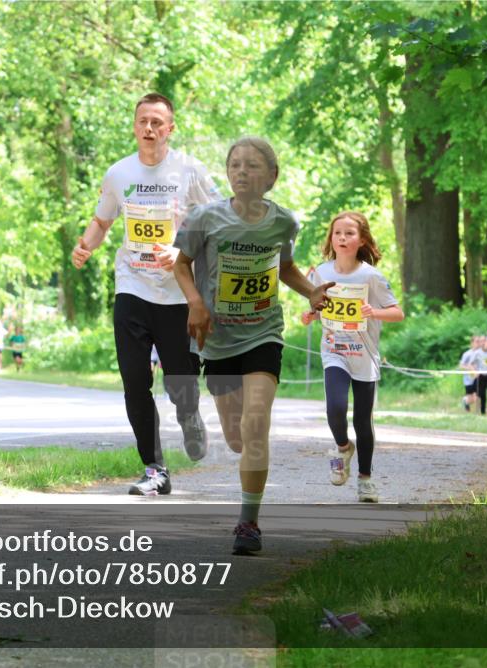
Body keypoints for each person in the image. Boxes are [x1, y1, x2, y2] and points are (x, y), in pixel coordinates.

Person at [174, 136, 331, 554]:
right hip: (219, 341)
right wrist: (195, 304)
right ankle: (239, 454)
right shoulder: (203, 218)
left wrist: (311, 292)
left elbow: (285, 267)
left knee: (256, 420)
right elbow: (181, 265)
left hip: (264, 333)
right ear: (228, 173)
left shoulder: (284, 222)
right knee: (236, 437)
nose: (243, 172)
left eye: (253, 166)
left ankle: (248, 523)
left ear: (272, 177)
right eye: (236, 165)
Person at [72, 92, 220, 495]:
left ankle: (190, 416)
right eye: (143, 121)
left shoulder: (190, 170)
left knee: (180, 385)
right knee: (135, 380)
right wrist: (86, 244)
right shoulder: (119, 174)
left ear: (170, 127)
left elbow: (219, 220)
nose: (150, 129)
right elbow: (102, 221)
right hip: (132, 287)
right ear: (134, 126)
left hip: (178, 293)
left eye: (158, 122)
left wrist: (182, 249)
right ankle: (155, 468)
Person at [300, 211, 403, 500]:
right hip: (334, 350)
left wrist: (375, 312)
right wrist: (309, 314)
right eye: (337, 233)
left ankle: (365, 478)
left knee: (362, 421)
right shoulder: (321, 272)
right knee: (335, 406)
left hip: (364, 355)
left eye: (349, 234)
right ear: (330, 239)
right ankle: (343, 448)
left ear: (362, 240)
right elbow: (314, 305)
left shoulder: (371, 276)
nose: (342, 238)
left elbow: (398, 312)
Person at [459, 335, 479, 412]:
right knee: (472, 399)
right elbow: (461, 365)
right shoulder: (467, 354)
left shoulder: (480, 353)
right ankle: (465, 401)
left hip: (477, 378)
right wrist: (471, 369)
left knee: (477, 397)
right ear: (472, 343)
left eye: (479, 342)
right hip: (468, 379)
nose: (478, 343)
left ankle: (479, 412)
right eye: (476, 342)